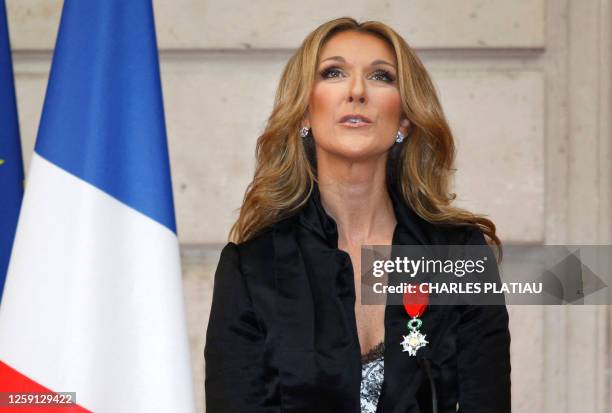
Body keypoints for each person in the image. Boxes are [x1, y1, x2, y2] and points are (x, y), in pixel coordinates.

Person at [204, 17, 511, 413]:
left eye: (381, 76)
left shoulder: (460, 257)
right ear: (303, 112)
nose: (356, 91)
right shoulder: (251, 268)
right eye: (334, 73)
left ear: (404, 118)